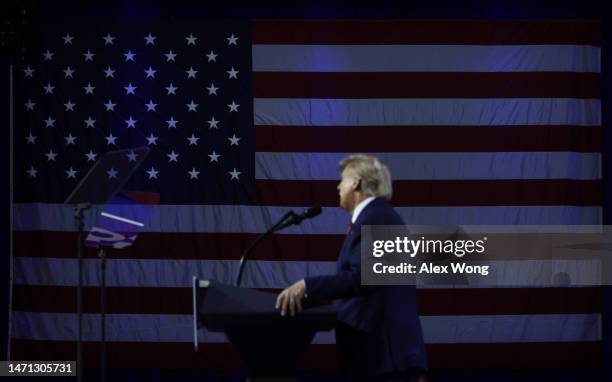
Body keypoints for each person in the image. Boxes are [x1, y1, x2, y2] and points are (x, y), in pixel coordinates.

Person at [276, 154, 428, 382]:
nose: (338, 186)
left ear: (356, 182)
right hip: (383, 357)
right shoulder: (379, 216)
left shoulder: (375, 219)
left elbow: (362, 279)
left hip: (383, 359)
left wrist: (306, 286)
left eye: (342, 180)